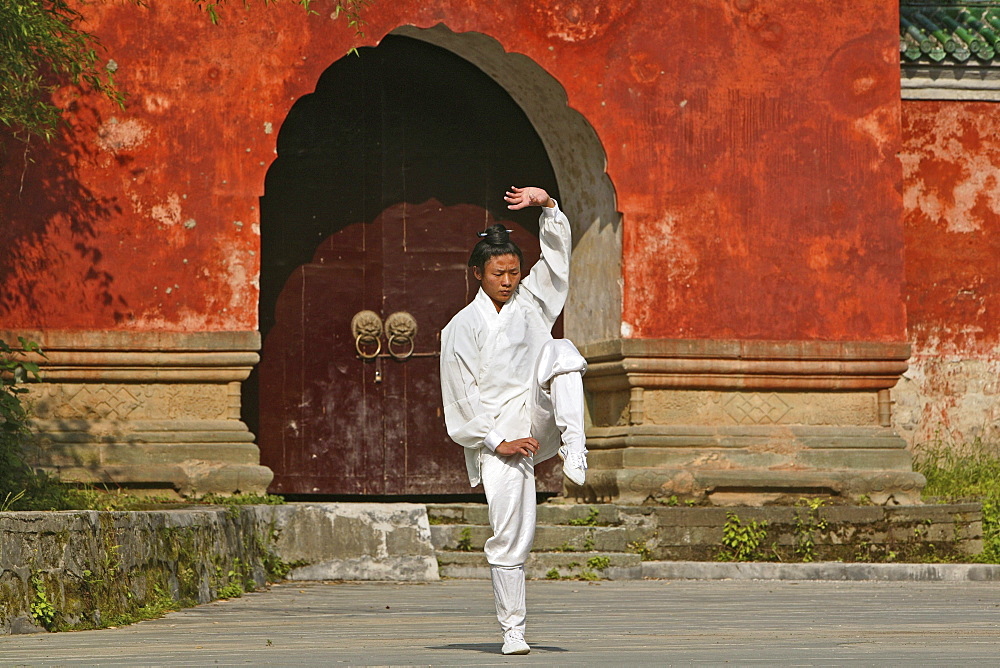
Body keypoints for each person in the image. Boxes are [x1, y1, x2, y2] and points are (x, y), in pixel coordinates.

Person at [439, 185, 589, 656]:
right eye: (499, 273)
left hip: (541, 413)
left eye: (514, 272)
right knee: (508, 534)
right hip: (500, 433)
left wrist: (548, 208)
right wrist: (496, 439)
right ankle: (513, 630)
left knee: (562, 351)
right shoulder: (460, 328)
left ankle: (575, 445)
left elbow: (558, 263)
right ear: (478, 274)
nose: (508, 280)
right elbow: (460, 396)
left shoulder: (533, 302)